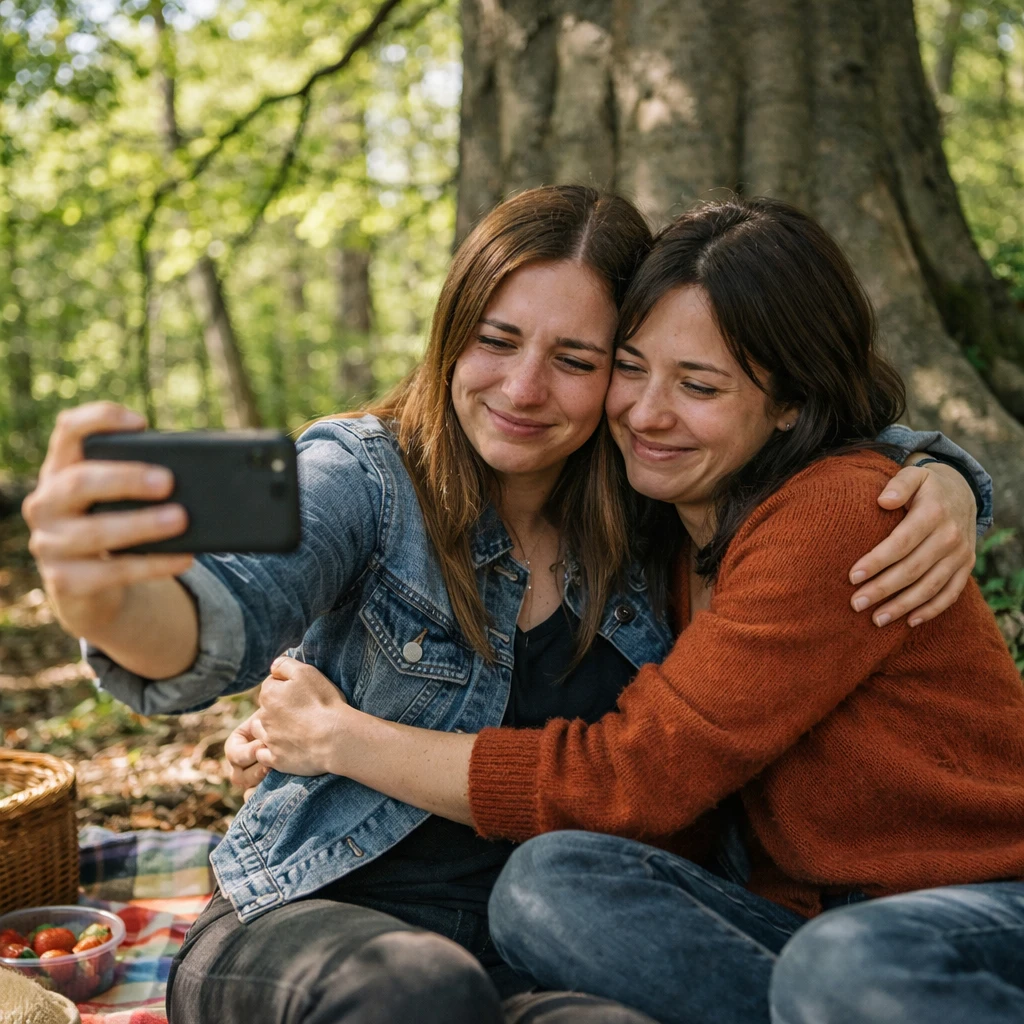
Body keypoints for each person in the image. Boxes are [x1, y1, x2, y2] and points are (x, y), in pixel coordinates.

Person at [24, 187, 986, 1024]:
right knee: (417, 994)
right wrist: (106, 597)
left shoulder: (661, 520)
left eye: (577, 358)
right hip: (319, 914)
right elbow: (220, 619)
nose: (524, 390)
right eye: (497, 341)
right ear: (452, 334)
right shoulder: (360, 472)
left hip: (541, 936)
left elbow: (795, 415)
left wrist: (938, 471)